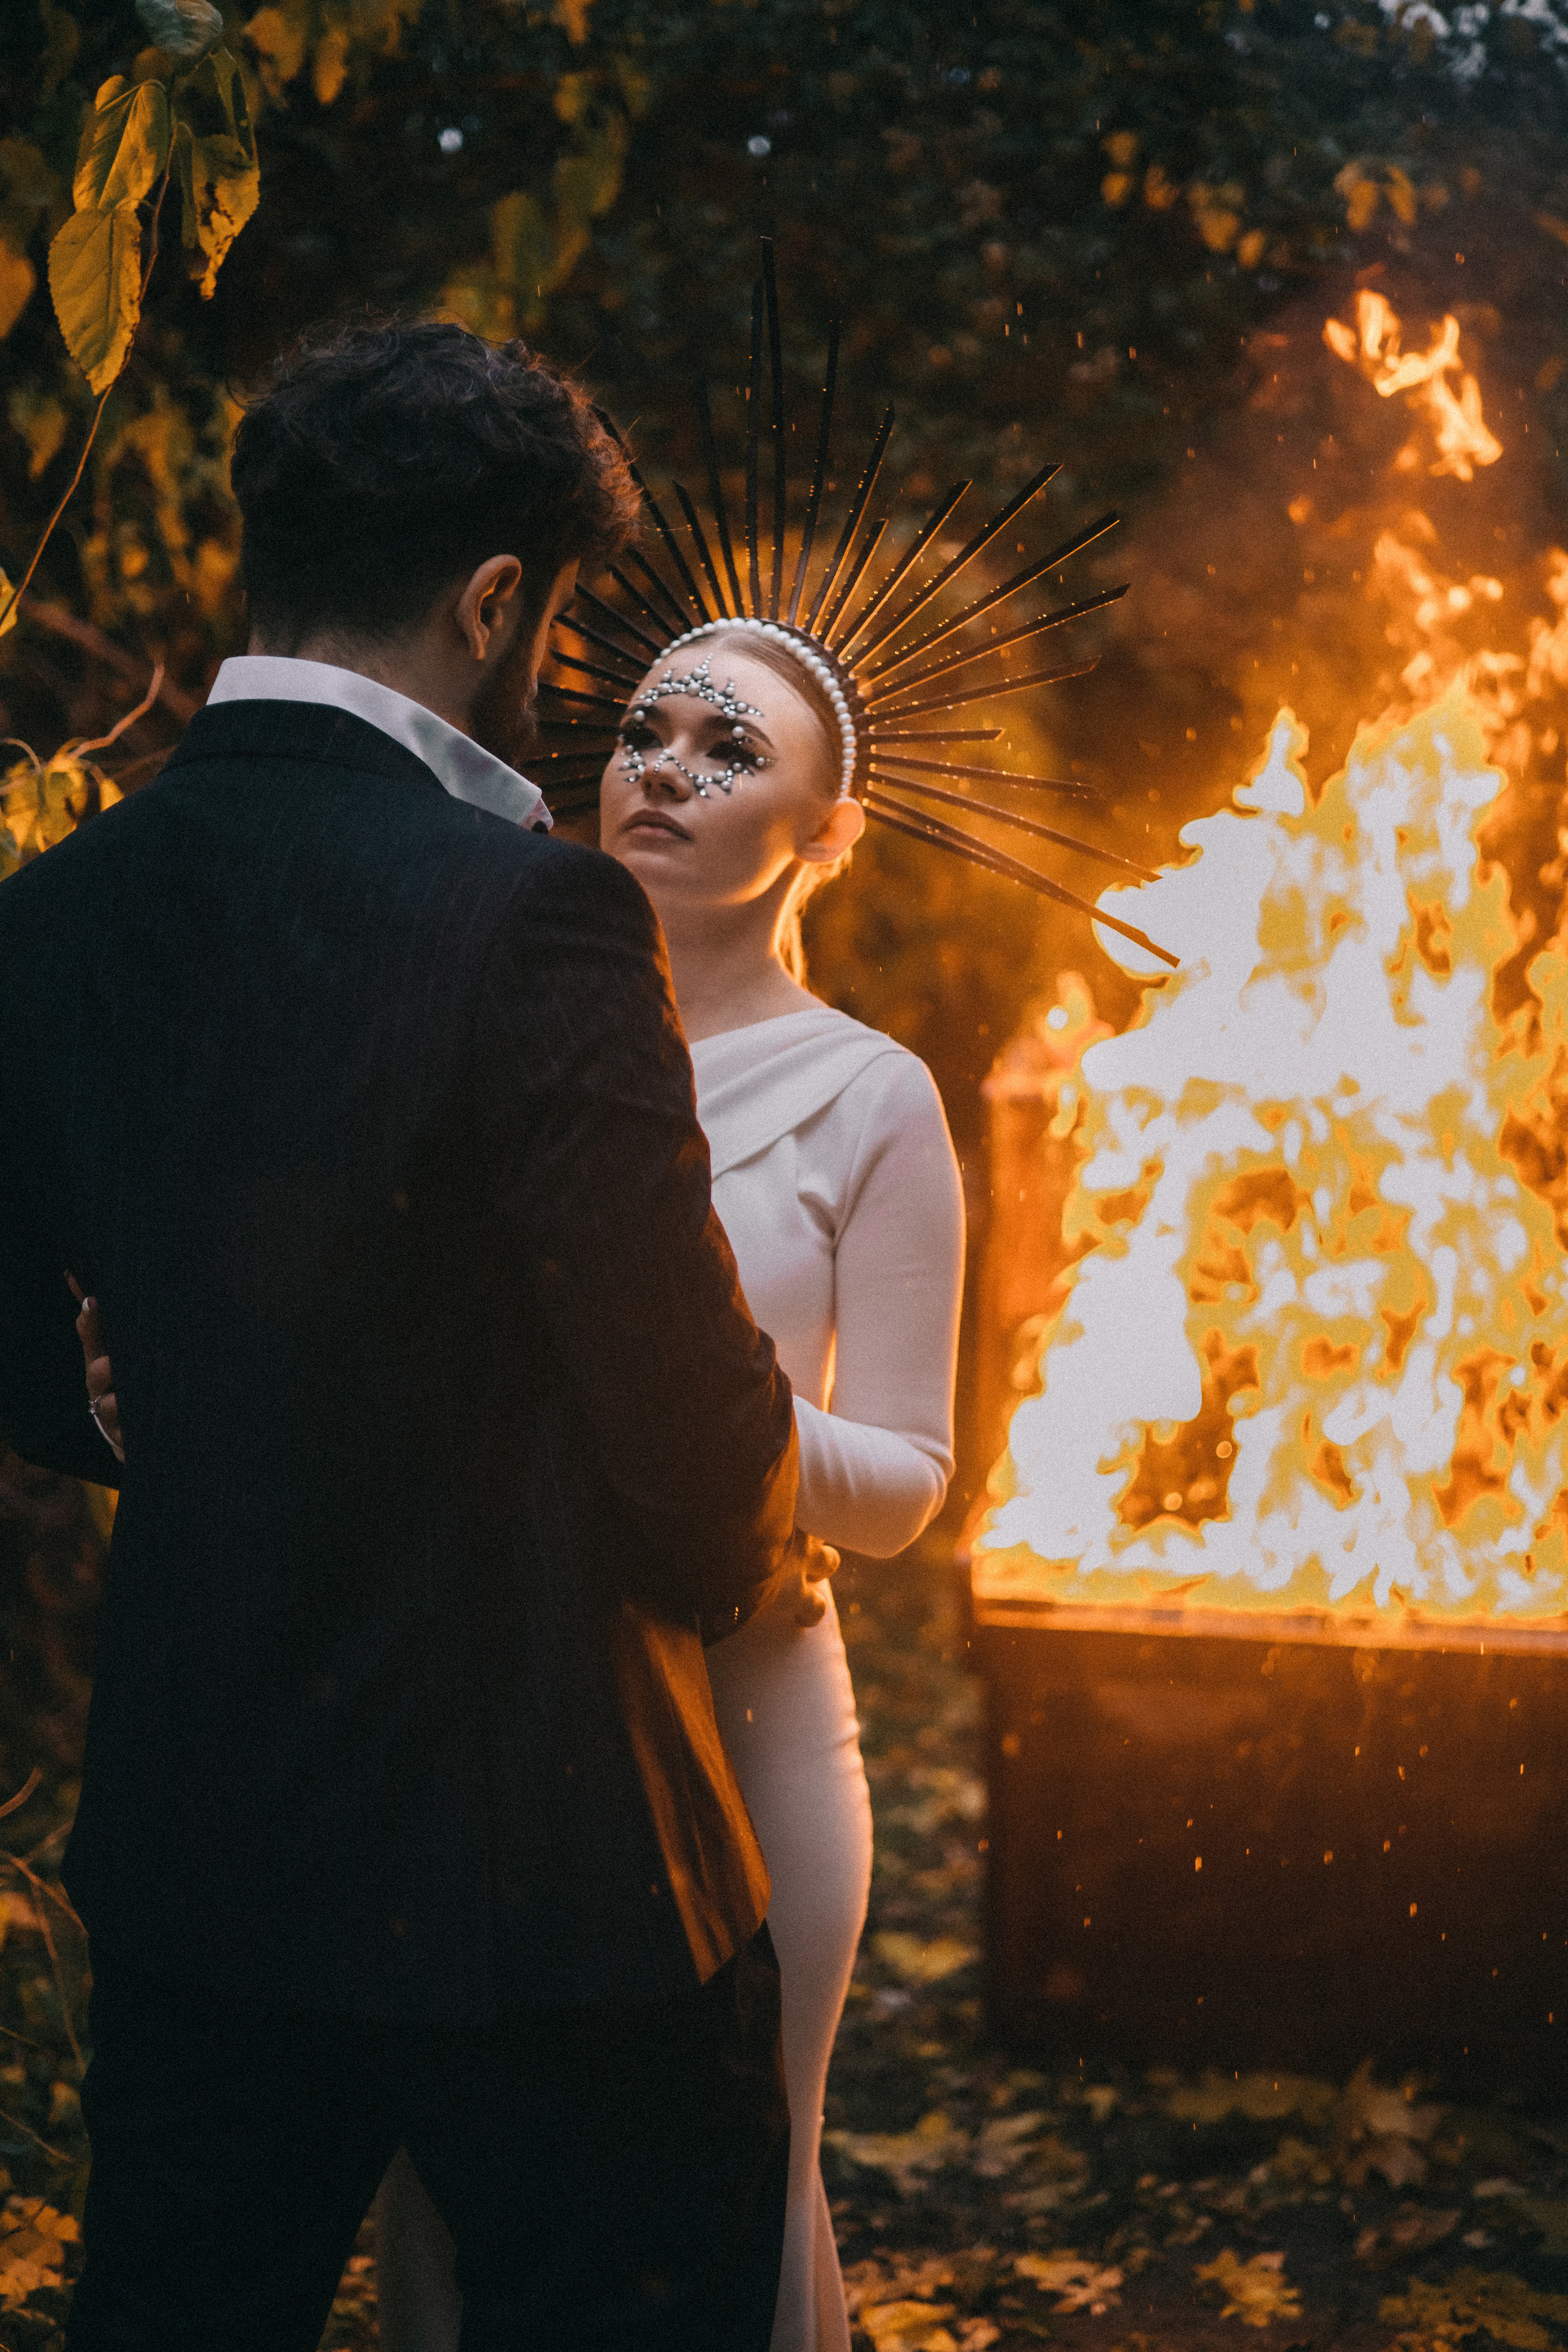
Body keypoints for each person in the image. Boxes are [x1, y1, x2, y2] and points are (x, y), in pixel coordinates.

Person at [0, 318, 839, 2352]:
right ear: (496, 600)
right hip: (551, 1884)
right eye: (555, 638)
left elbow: (33, 1348)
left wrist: (132, 1413)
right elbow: (687, 1413)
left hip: (202, 1864)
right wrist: (747, 1563)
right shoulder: (534, 918)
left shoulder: (60, 910)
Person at [374, 620, 966, 2352]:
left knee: (746, 2186)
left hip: (751, 1705)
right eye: (648, 731)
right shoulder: (488, 1022)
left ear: (829, 832)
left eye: (733, 751)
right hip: (483, 1690)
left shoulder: (876, 1097)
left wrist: (701, 1389)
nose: (668, 768)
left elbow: (909, 1486)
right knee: (447, 2182)